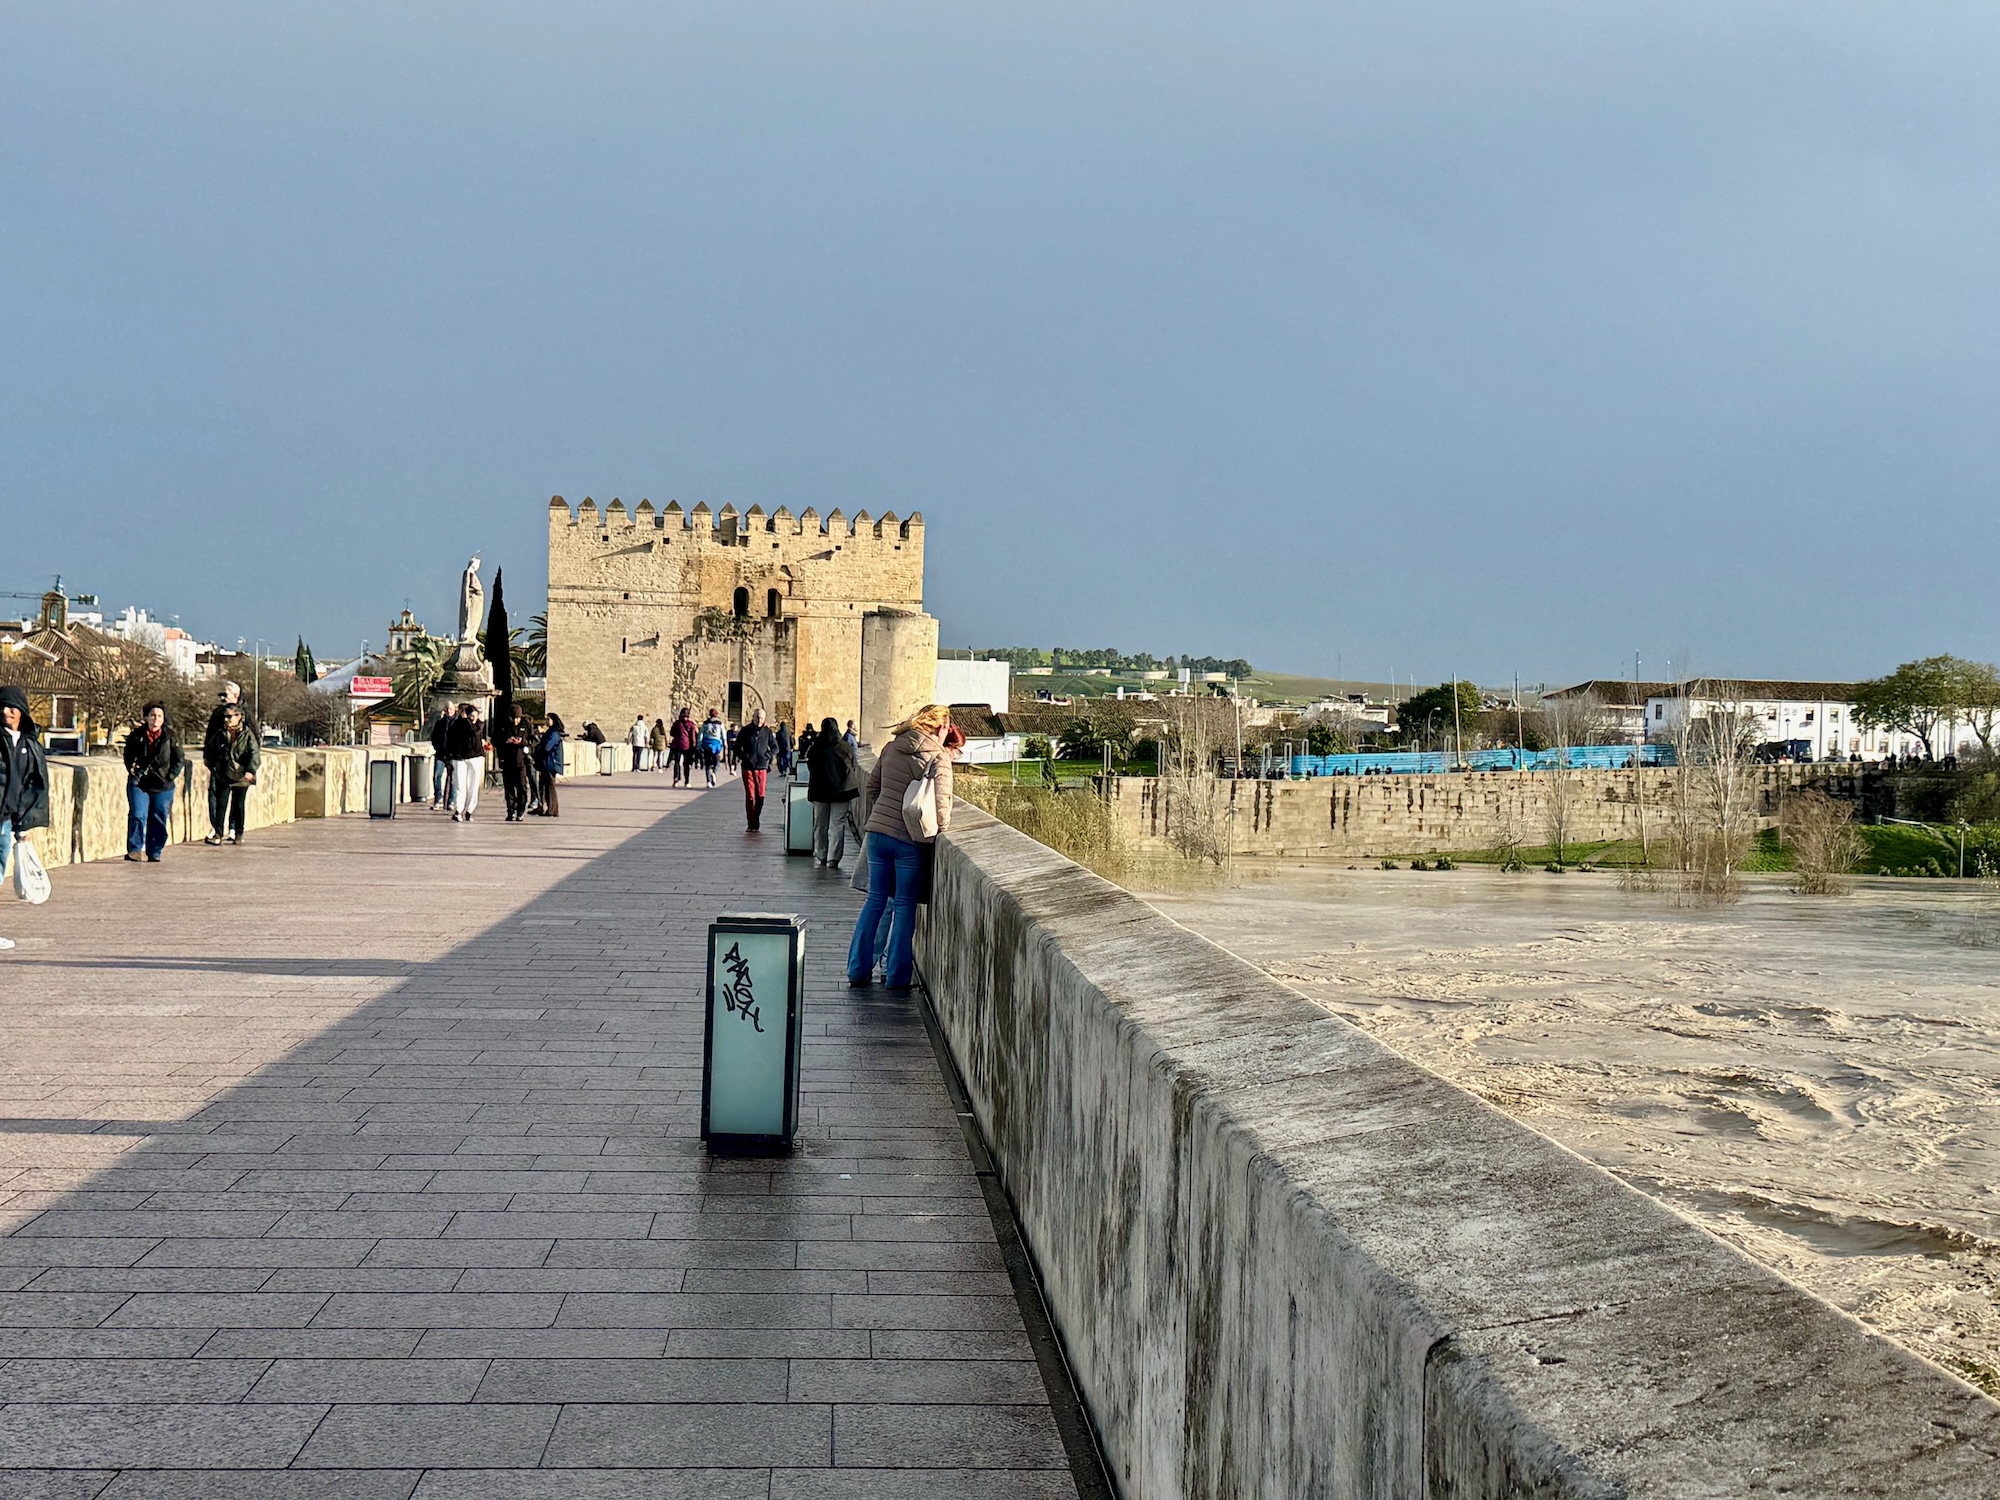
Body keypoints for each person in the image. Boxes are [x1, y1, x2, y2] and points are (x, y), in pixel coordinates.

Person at [848, 704, 953, 991]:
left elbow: (872, 788)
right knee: (905, 906)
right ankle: (896, 977)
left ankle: (857, 969)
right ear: (940, 728)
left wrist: (876, 820)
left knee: (875, 902)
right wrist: (938, 832)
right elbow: (941, 809)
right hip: (909, 840)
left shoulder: (892, 747)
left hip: (878, 835)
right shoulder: (938, 757)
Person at [0, 686, 50, 950]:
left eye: (11, 707)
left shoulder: (29, 745)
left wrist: (24, 825)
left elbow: (31, 785)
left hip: (7, 821)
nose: (6, 712)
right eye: (2, 707)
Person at [123, 702, 184, 863]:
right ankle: (135, 850)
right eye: (152, 715)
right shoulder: (136, 735)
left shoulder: (170, 736)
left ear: (163, 719)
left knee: (159, 816)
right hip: (140, 782)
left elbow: (179, 759)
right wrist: (131, 768)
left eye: (159, 716)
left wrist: (170, 776)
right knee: (138, 814)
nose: (155, 719)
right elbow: (128, 755)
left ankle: (155, 850)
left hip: (162, 784)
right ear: (146, 718)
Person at [806, 715, 862, 868]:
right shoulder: (845, 747)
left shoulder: (816, 748)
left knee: (820, 824)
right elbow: (853, 766)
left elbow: (810, 767)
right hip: (842, 792)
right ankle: (833, 858)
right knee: (837, 824)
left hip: (820, 791)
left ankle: (821, 854)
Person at [203, 703, 259, 845]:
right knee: (221, 805)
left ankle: (238, 833)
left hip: (241, 775)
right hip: (224, 774)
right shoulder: (220, 734)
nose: (227, 720)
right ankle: (218, 834)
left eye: (230, 717)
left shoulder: (247, 735)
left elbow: (255, 754)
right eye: (225, 717)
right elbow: (209, 751)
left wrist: (250, 770)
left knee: (238, 805)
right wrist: (213, 766)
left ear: (239, 717)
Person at [205, 681, 245, 834]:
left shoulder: (245, 713)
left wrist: (248, 765)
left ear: (235, 696)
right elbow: (209, 738)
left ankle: (234, 827)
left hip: (238, 764)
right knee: (216, 797)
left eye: (226, 695)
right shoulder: (217, 714)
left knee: (237, 799)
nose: (222, 698)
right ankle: (217, 828)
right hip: (219, 763)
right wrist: (209, 759)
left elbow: (252, 740)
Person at [736, 708, 778, 831]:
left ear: (764, 719)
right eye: (757, 717)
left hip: (762, 768)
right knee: (750, 796)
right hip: (748, 768)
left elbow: (775, 748)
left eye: (761, 718)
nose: (759, 720)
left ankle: (756, 819)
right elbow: (737, 747)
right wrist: (745, 758)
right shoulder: (745, 731)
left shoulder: (768, 732)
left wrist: (767, 757)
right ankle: (751, 824)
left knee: (760, 796)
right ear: (753, 717)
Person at [444, 703, 488, 822]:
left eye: (475, 716)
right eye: (471, 716)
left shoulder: (479, 725)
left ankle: (469, 810)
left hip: (475, 757)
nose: (473, 718)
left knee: (473, 786)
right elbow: (450, 739)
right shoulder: (458, 724)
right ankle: (459, 810)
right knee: (460, 785)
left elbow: (474, 730)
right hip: (459, 758)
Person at [496, 703, 533, 822]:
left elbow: (534, 741)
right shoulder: (503, 725)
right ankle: (510, 810)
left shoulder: (526, 725)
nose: (515, 721)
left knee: (522, 787)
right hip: (507, 761)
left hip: (521, 762)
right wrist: (506, 741)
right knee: (509, 788)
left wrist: (523, 742)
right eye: (513, 718)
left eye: (517, 718)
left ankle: (521, 810)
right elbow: (496, 740)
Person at [535, 713, 566, 817]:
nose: (546, 721)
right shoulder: (551, 732)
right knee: (543, 786)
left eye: (548, 719)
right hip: (546, 763)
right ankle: (544, 807)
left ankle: (552, 809)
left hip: (550, 763)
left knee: (550, 787)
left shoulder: (554, 734)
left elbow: (547, 747)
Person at [428, 707, 454, 809]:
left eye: (451, 709)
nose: (449, 711)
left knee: (452, 779)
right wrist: (437, 748)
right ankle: (438, 799)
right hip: (440, 754)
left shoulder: (456, 723)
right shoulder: (439, 723)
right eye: (447, 709)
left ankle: (451, 801)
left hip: (452, 755)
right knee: (437, 776)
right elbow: (434, 737)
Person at [670, 708, 697, 786]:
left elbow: (672, 733)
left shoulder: (677, 723)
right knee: (686, 763)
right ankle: (687, 781)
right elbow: (693, 736)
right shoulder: (691, 724)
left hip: (677, 744)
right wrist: (694, 746)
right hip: (687, 746)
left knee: (677, 762)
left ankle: (676, 779)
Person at [699, 710, 725, 787]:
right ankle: (714, 771)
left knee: (707, 764)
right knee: (717, 761)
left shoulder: (705, 723)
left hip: (707, 743)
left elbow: (701, 735)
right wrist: (724, 744)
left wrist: (699, 745)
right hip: (716, 744)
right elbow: (723, 735)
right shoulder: (720, 724)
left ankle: (708, 782)